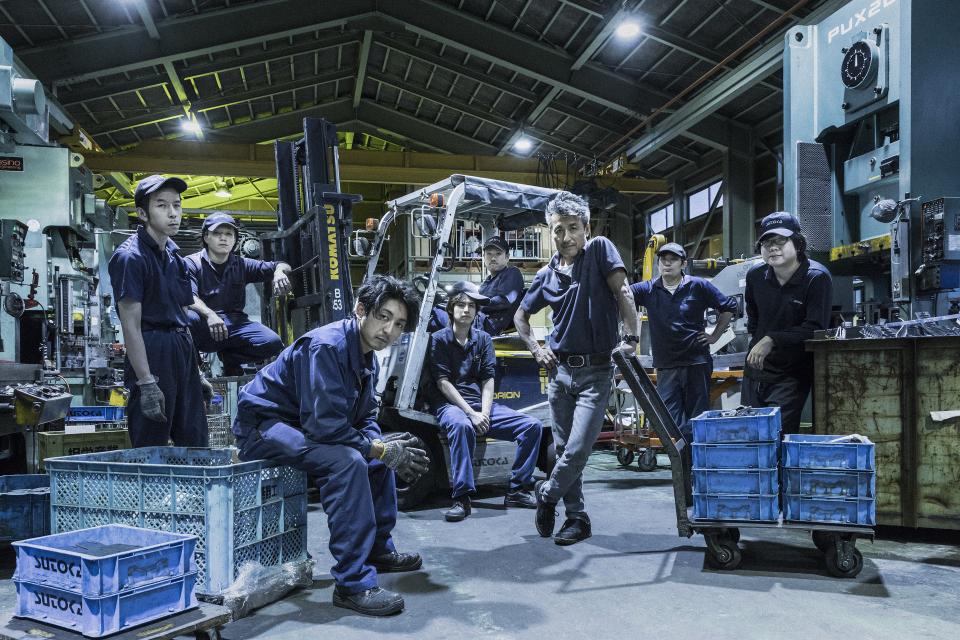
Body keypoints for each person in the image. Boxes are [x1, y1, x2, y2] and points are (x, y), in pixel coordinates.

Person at [232, 275, 430, 617]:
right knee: (348, 462)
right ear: (360, 310)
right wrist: (376, 448)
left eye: (398, 324)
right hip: (264, 426)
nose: (390, 330)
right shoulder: (327, 347)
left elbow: (363, 415)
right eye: (383, 317)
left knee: (377, 454)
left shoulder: (367, 355)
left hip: (302, 424)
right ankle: (352, 583)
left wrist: (379, 444)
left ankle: (378, 549)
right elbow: (324, 426)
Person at [515, 192, 640, 545]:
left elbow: (624, 292)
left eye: (573, 228)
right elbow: (520, 315)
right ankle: (577, 517)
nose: (566, 236)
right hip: (559, 373)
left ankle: (547, 495)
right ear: (550, 232)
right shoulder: (546, 274)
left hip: (596, 371)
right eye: (558, 230)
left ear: (586, 228)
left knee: (578, 449)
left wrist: (631, 338)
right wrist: (536, 347)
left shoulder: (599, 250)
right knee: (560, 447)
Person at [108, 174, 210, 447]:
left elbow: (183, 314)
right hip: (152, 350)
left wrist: (196, 372)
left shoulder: (175, 256)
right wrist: (146, 382)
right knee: (152, 441)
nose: (173, 213)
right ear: (142, 213)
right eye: (162, 206)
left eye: (176, 205)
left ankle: (192, 491)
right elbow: (131, 326)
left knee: (195, 440)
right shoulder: (131, 257)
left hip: (181, 347)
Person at [429, 281, 542, 523]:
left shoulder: (482, 339)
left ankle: (517, 489)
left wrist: (486, 413)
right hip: (452, 406)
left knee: (532, 425)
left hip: (481, 406)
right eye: (460, 305)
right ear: (451, 308)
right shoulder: (438, 339)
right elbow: (442, 383)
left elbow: (488, 380)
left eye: (471, 306)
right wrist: (471, 413)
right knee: (461, 425)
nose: (466, 310)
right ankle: (462, 497)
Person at [631, 243, 737, 440]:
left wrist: (714, 336)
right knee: (667, 417)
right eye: (663, 260)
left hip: (696, 362)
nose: (667, 264)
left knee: (698, 416)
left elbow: (728, 306)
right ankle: (685, 453)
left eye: (673, 260)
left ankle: (692, 462)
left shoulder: (698, 286)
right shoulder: (648, 289)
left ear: (683, 263)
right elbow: (621, 294)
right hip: (666, 365)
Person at [743, 212, 832, 434]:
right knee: (751, 436)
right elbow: (753, 316)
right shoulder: (755, 276)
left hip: (791, 374)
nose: (772, 247)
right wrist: (757, 341)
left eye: (780, 241)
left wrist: (772, 339)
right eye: (766, 242)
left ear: (798, 243)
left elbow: (815, 328)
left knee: (776, 435)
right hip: (756, 371)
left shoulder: (816, 277)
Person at [185, 212, 291, 376]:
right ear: (206, 237)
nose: (223, 238)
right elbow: (187, 297)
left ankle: (231, 358)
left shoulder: (242, 264)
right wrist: (210, 315)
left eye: (229, 234)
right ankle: (194, 368)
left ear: (235, 239)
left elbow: (282, 264)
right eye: (217, 233)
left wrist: (279, 273)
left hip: (235, 326)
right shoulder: (191, 263)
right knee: (186, 318)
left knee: (273, 343)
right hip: (204, 325)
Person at [476, 236, 525, 336]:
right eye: (489, 254)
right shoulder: (486, 282)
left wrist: (474, 305)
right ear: (484, 257)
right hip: (477, 323)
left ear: (507, 257)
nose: (493, 258)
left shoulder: (512, 273)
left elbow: (504, 301)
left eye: (498, 253)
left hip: (487, 326)